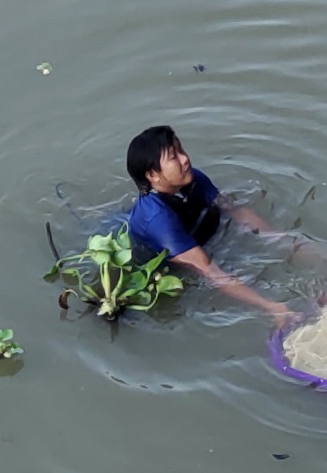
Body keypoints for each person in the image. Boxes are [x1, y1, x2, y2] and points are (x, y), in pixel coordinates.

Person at [124, 125, 295, 327]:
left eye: (181, 150)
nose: (185, 158)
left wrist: (283, 241)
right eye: (173, 157)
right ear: (152, 175)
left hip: (193, 236)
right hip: (163, 266)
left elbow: (236, 212)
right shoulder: (157, 219)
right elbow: (208, 270)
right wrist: (270, 306)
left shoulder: (194, 179)